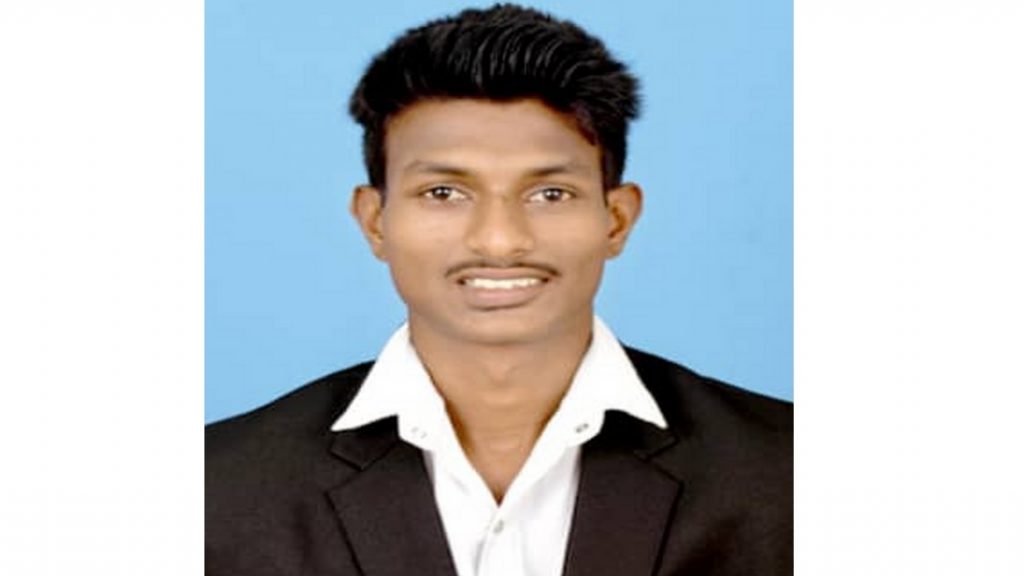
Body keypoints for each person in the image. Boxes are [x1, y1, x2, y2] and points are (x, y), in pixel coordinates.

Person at [206, 4, 792, 575]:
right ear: (375, 221)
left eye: (550, 194)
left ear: (616, 219)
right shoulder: (215, 492)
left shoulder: (787, 473)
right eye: (443, 193)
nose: (500, 240)